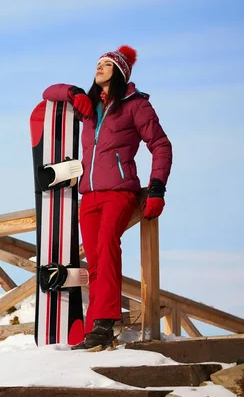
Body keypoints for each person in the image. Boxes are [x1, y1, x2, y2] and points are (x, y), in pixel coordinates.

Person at [41, 45, 173, 349]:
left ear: (120, 72)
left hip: (120, 192)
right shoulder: (88, 107)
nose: (99, 67)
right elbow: (48, 91)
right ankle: (95, 329)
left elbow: (161, 146)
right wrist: (74, 93)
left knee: (107, 246)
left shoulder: (136, 105)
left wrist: (156, 189)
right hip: (89, 195)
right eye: (98, 63)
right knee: (95, 259)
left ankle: (104, 322)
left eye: (107, 64)